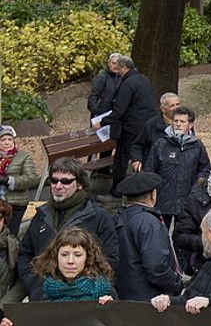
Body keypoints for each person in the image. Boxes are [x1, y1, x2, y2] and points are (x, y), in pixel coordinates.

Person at [17, 157, 118, 298]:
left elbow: (110, 259)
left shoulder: (99, 217)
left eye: (65, 181)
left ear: (80, 184)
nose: (58, 186)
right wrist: (36, 285)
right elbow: (25, 254)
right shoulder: (41, 215)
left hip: (86, 297)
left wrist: (83, 288)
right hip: (44, 295)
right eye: (54, 181)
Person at [112, 172, 184, 301]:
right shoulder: (148, 222)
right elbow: (156, 267)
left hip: (124, 295)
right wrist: (177, 284)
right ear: (153, 195)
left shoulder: (120, 217)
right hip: (149, 299)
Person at [143, 105, 210, 220]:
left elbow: (204, 169)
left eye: (182, 121)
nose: (178, 124)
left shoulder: (197, 146)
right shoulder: (161, 144)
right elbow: (150, 170)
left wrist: (197, 188)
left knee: (183, 235)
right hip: (163, 200)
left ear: (190, 125)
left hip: (187, 200)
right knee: (160, 234)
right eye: (176, 121)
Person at [103, 56, 159, 191]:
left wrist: (104, 122)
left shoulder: (128, 83)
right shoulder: (144, 79)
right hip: (148, 125)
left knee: (121, 159)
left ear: (124, 67)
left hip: (132, 128)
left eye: (119, 69)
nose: (118, 72)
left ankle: (117, 190)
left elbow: (120, 109)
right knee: (143, 157)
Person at [0, 124, 39, 233]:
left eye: (9, 139)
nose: (7, 142)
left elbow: (31, 179)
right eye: (3, 140)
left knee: (10, 235)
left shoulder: (23, 156)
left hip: (15, 202)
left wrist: (9, 180)